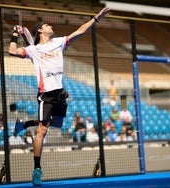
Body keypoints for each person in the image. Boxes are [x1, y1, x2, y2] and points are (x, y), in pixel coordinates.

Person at [8, 7, 110, 185]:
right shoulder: (33, 50)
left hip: (60, 94)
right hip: (46, 95)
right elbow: (12, 51)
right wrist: (14, 35)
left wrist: (96, 18)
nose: (50, 26)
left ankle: (23, 125)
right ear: (40, 30)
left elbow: (80, 31)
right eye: (46, 25)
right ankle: (37, 169)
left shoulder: (59, 42)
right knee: (43, 130)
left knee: (56, 124)